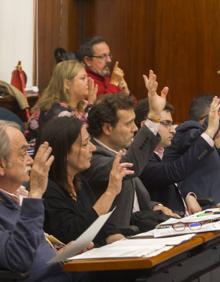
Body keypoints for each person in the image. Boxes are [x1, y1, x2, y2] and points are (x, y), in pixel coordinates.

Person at [83, 70, 180, 238]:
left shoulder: (121, 152)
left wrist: (154, 206)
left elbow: (135, 200)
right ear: (107, 128)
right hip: (115, 242)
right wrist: (155, 116)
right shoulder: (93, 157)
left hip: (140, 232)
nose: (135, 129)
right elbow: (129, 167)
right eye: (128, 124)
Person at [0, 120, 89, 282]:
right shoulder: (27, 199)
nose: (30, 161)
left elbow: (36, 258)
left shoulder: (17, 197)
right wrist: (35, 193)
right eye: (22, 153)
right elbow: (18, 259)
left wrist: (62, 254)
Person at [38, 116, 134, 245]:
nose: (93, 148)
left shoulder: (80, 181)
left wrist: (118, 239)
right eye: (85, 144)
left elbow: (102, 224)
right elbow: (73, 234)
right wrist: (110, 192)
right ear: (64, 151)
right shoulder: (48, 189)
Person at [135, 97, 220, 215]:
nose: (173, 130)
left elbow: (175, 180)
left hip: (190, 219)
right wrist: (210, 130)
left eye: (172, 124)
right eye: (166, 124)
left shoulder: (163, 152)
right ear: (146, 125)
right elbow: (174, 171)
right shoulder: (139, 159)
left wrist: (187, 195)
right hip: (170, 225)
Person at [164, 95, 220, 205]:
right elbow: (192, 136)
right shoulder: (188, 128)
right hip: (205, 210)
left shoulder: (210, 141)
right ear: (207, 118)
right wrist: (210, 129)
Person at [27, 59, 98, 143]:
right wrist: (91, 105)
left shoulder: (81, 104)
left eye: (87, 77)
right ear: (67, 84)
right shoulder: (54, 110)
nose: (89, 81)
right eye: (83, 78)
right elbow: (79, 138)